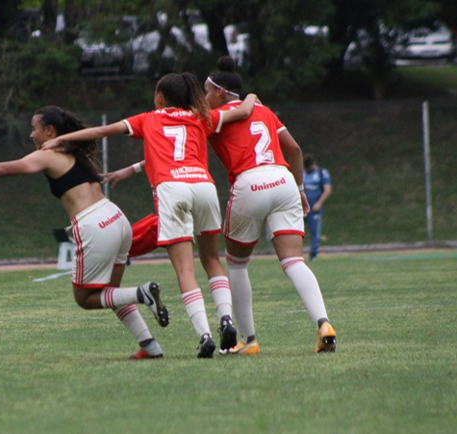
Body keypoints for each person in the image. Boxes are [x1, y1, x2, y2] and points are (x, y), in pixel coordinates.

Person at [43, 73, 257, 358]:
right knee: (212, 260)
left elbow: (101, 132)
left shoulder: (149, 118)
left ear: (159, 98)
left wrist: (61, 140)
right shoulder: (201, 117)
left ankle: (205, 335)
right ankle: (226, 320)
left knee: (185, 270)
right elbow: (243, 109)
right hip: (204, 187)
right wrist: (253, 97)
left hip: (173, 190)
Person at [0, 106, 168, 360]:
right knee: (110, 293)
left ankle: (141, 293)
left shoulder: (48, 154)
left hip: (93, 224)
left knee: (86, 298)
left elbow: (3, 169)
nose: (31, 135)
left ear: (50, 131)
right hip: (116, 217)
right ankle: (150, 347)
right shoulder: (74, 151)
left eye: (35, 129)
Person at [204, 56, 336, 354]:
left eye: (206, 92)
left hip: (249, 182)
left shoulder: (214, 118)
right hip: (283, 179)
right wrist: (300, 188)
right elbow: (295, 149)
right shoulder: (263, 111)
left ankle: (249, 340)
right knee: (293, 261)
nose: (204, 98)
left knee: (236, 265)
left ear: (220, 93)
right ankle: (324, 323)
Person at [302, 154, 332, 260]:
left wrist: (318, 203)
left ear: (314, 163)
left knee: (314, 232)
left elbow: (327, 190)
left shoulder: (321, 173)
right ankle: (294, 254)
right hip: (302, 208)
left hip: (314, 208)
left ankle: (313, 254)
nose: (308, 169)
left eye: (310, 167)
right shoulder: (302, 173)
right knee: (297, 230)